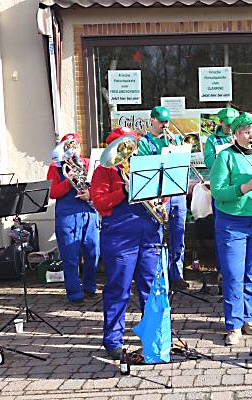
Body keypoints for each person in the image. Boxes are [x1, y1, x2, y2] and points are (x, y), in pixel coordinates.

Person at [91, 127, 164, 360]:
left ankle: (154, 338)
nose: (128, 151)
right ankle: (113, 340)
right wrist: (124, 190)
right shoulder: (104, 171)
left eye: (130, 145)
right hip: (120, 236)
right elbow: (100, 203)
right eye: (122, 146)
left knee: (151, 289)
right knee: (118, 289)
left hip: (149, 234)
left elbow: (164, 189)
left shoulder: (145, 164)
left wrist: (161, 199)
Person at [209, 112, 252, 345]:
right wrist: (245, 187)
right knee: (233, 275)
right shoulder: (225, 157)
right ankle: (234, 324)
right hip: (232, 223)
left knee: (251, 274)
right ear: (235, 134)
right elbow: (217, 192)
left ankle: (247, 318)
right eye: (247, 132)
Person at [138, 106, 188, 289]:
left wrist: (177, 149)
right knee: (157, 235)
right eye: (161, 122)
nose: (165, 125)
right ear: (152, 120)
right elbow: (144, 166)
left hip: (177, 192)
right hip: (158, 194)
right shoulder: (144, 142)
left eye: (167, 121)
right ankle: (158, 276)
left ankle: (177, 274)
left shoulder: (175, 139)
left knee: (179, 233)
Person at [47, 133, 101, 304]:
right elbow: (53, 192)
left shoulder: (88, 163)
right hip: (67, 214)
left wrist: (90, 194)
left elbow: (99, 186)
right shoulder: (55, 167)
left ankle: (90, 287)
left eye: (75, 145)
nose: (73, 149)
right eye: (68, 146)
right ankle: (74, 292)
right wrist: (68, 178)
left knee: (93, 252)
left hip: (88, 212)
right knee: (70, 256)